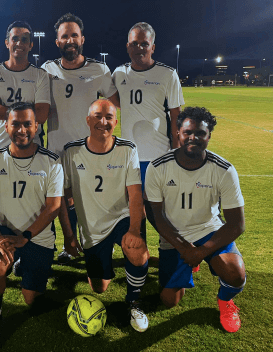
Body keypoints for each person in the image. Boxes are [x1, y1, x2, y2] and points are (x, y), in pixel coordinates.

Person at [145, 106, 246, 333]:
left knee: (235, 273)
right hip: (174, 234)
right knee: (169, 301)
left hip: (208, 229)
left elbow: (237, 223)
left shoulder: (224, 170)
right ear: (178, 134)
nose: (193, 137)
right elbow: (156, 215)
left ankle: (226, 302)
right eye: (188, 132)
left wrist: (200, 252)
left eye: (200, 133)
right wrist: (184, 248)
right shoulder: (158, 167)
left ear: (208, 136)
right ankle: (184, 265)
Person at [0, 102, 63, 351]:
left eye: (28, 124)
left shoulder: (51, 161)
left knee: (31, 301)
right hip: (4, 232)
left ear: (37, 127)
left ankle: (22, 264)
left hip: (37, 237)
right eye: (16, 123)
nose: (22, 129)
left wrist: (25, 237)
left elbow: (53, 207)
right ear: (6, 127)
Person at [61, 99, 149, 332]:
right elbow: (63, 195)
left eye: (108, 117)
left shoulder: (127, 148)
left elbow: (135, 194)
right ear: (88, 120)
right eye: (97, 116)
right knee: (99, 288)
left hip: (121, 218)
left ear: (115, 122)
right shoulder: (72, 151)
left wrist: (134, 230)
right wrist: (69, 235)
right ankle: (106, 249)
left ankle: (134, 300)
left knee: (137, 250)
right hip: (91, 227)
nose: (103, 122)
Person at [41, 13, 120, 264]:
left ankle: (99, 243)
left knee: (92, 200)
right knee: (58, 201)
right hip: (55, 150)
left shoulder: (99, 69)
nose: (70, 39)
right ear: (57, 42)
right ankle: (62, 245)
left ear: (82, 39)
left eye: (74, 35)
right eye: (65, 36)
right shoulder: (47, 70)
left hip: (89, 151)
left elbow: (116, 103)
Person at [112, 22, 185, 269]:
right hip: (129, 159)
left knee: (163, 214)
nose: (140, 48)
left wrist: (176, 153)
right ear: (127, 47)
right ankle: (138, 261)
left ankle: (180, 252)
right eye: (135, 43)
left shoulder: (167, 74)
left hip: (159, 158)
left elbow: (176, 117)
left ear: (153, 46)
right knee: (134, 215)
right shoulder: (118, 73)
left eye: (144, 43)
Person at [0, 20, 50, 154]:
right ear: (7, 43)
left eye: (24, 39)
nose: (19, 43)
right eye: (15, 39)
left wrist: (2, 108)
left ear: (30, 45)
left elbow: (41, 116)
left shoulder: (40, 75)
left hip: (32, 148)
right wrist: (29, 112)